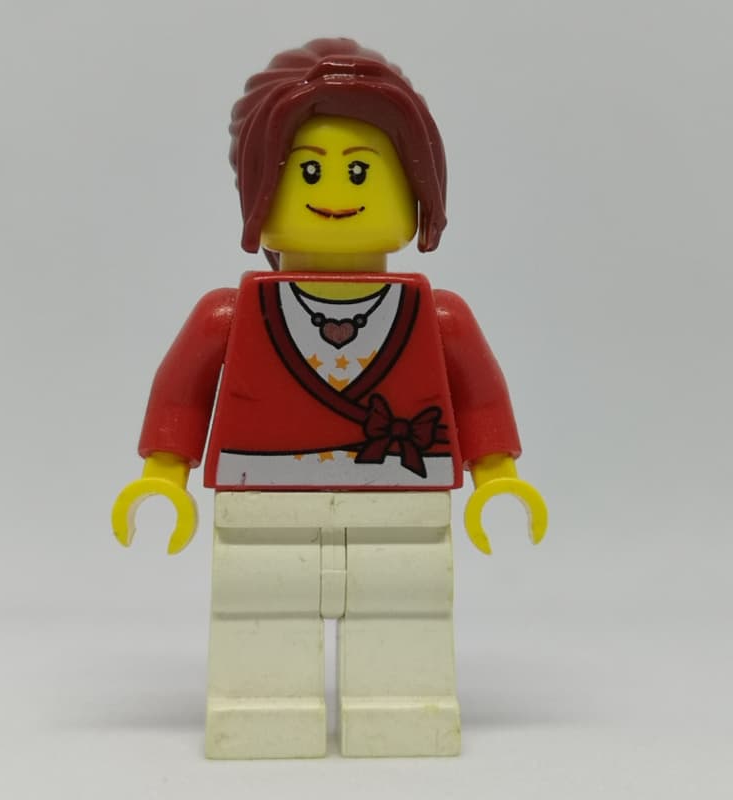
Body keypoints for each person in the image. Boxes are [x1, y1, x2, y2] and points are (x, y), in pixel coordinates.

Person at [112, 38, 547, 759]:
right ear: (260, 188)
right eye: (309, 169)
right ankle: (261, 708)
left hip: (403, 497)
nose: (337, 191)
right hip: (261, 494)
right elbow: (182, 389)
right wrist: (162, 477)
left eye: (362, 169)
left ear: (416, 186)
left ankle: (400, 709)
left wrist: (499, 477)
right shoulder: (230, 315)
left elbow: (478, 399)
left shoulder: (438, 317)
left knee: (405, 604)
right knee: (260, 603)